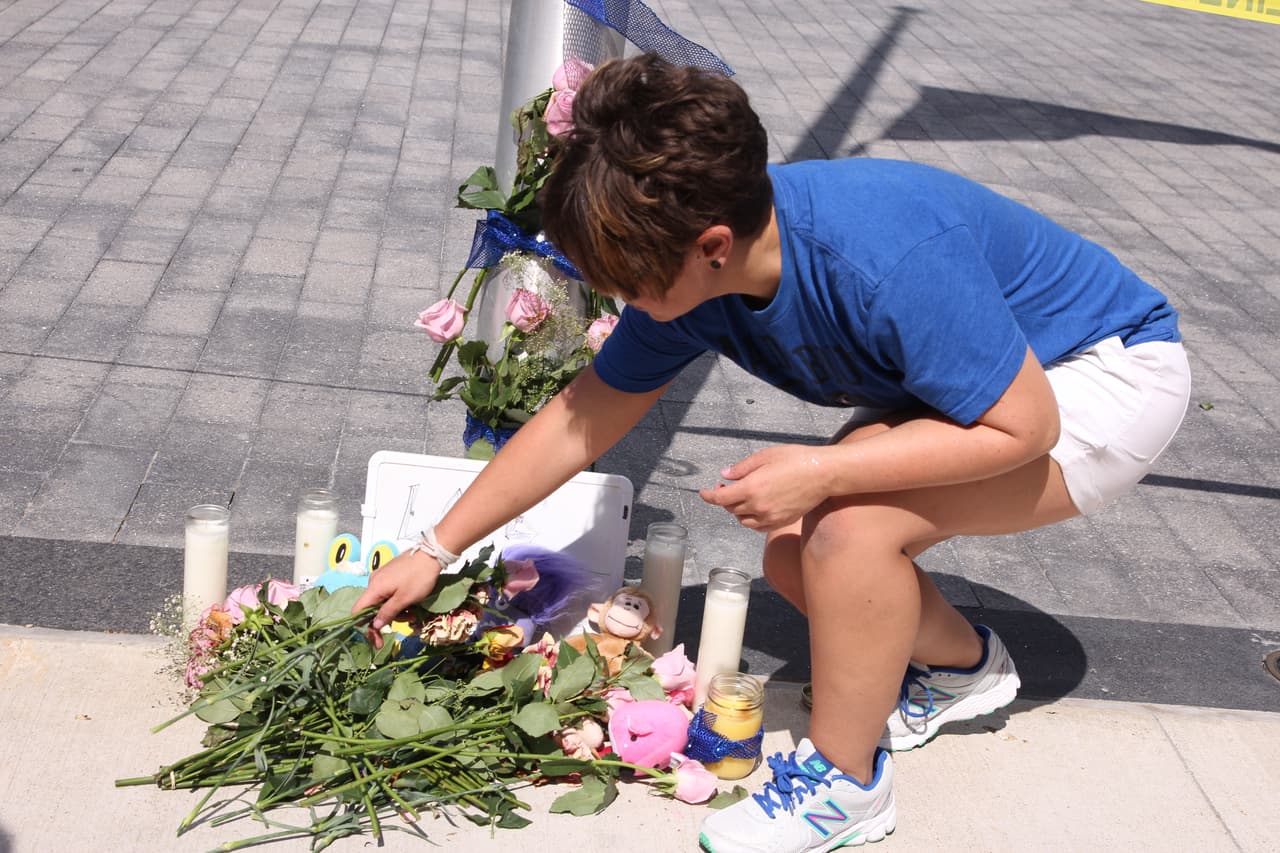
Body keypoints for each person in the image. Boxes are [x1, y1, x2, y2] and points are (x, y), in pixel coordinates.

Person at [354, 53, 1189, 852]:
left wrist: (823, 471)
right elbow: (582, 417)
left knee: (847, 532)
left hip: (1100, 377)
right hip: (997, 385)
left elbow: (1025, 428)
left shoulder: (881, 256)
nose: (615, 295)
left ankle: (848, 785)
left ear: (712, 246)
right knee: (798, 556)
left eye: (627, 279)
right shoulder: (697, 266)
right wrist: (435, 548)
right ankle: (967, 669)